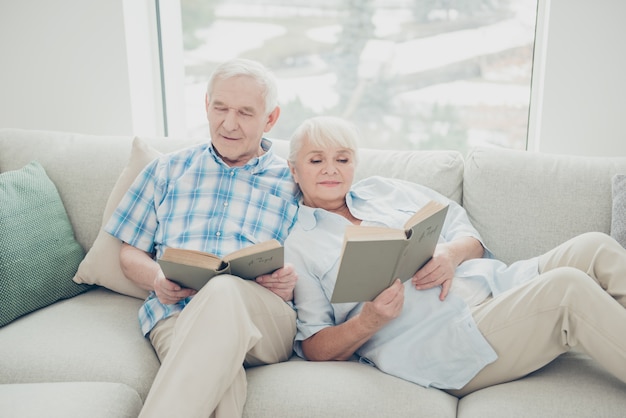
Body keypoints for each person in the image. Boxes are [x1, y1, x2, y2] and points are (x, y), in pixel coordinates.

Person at [284, 115, 626, 396]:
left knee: (594, 246)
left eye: (342, 159)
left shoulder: (386, 190)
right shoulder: (299, 244)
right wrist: (368, 321)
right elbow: (314, 345)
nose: (331, 169)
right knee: (567, 288)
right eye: (316, 160)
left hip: (497, 288)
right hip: (453, 340)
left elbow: (470, 237)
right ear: (294, 171)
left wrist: (450, 253)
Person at [105, 58, 300, 417]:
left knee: (223, 291)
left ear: (270, 119)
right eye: (220, 108)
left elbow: (327, 254)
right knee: (219, 388)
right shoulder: (167, 170)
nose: (228, 123)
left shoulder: (295, 181)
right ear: (206, 105)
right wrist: (157, 279)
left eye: (245, 112)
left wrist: (290, 282)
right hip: (176, 314)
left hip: (265, 318)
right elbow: (129, 252)